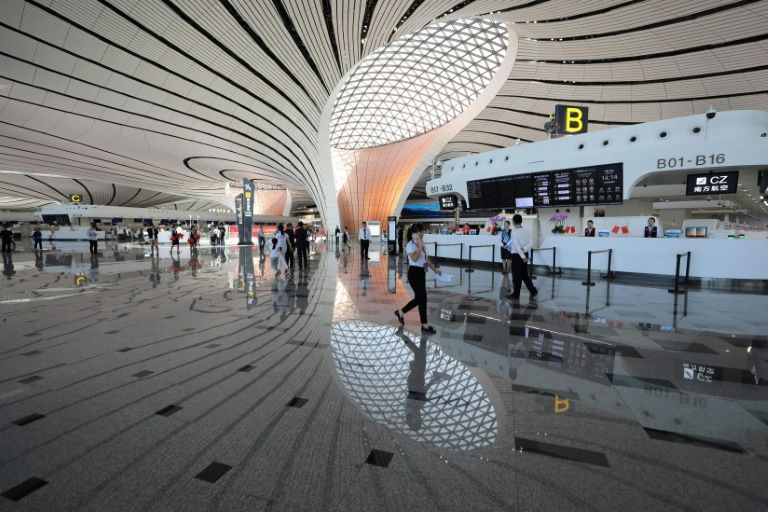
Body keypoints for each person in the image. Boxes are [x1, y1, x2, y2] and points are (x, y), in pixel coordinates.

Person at [394, 223, 441, 334]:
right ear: (415, 233)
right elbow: (414, 259)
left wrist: (435, 270)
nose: (423, 233)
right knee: (422, 299)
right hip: (413, 274)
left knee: (420, 299)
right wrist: (420, 246)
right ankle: (424, 325)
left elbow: (426, 259)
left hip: (421, 273)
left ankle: (401, 312)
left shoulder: (422, 245)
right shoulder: (410, 245)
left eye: (423, 231)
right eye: (421, 232)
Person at [505, 214, 538, 300]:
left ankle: (516, 295)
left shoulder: (514, 232)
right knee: (524, 274)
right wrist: (525, 250)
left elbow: (516, 245)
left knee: (516, 276)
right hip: (524, 254)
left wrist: (522, 256)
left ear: (513, 222)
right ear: (521, 221)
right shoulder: (526, 231)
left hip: (517, 256)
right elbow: (531, 242)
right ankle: (533, 290)